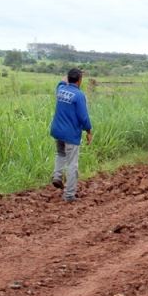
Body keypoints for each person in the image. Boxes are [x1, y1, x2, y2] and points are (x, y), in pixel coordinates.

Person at [50, 68, 93, 202]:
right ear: (80, 80)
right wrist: (89, 130)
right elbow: (83, 117)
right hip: (71, 134)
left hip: (57, 130)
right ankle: (69, 195)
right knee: (72, 164)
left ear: (68, 79)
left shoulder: (61, 89)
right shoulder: (79, 95)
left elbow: (62, 81)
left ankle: (57, 176)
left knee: (60, 154)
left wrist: (68, 76)